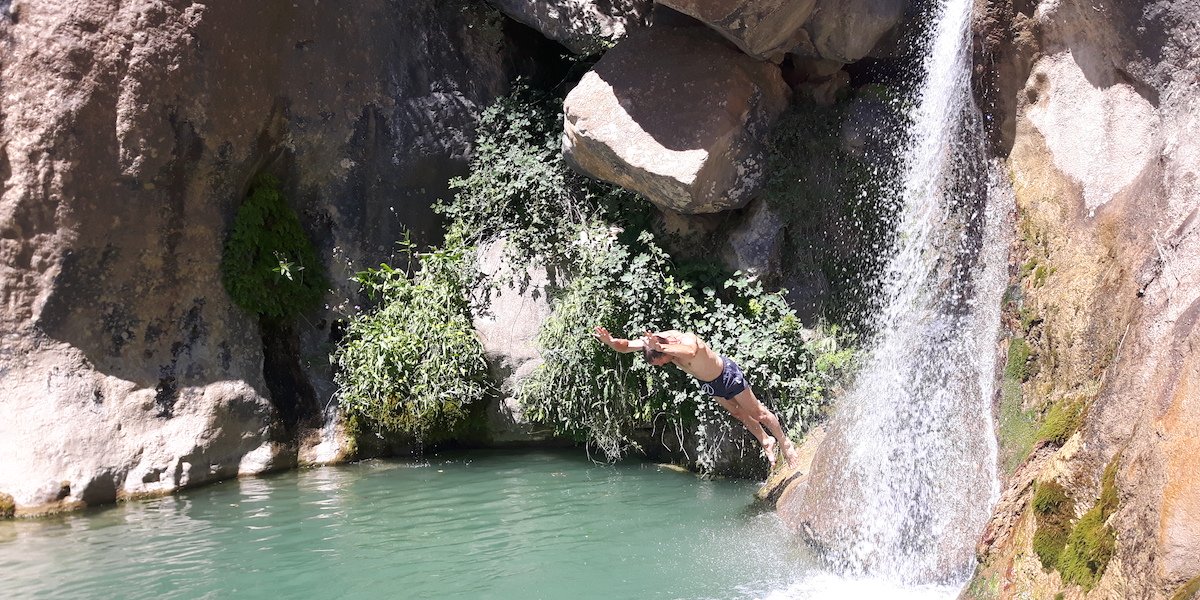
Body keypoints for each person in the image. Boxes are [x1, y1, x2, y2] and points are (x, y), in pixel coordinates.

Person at [592, 326, 799, 468]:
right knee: (738, 414)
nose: (663, 365)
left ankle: (784, 441)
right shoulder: (653, 343)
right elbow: (627, 345)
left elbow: (691, 352)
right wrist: (610, 341)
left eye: (662, 361)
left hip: (726, 375)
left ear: (663, 349)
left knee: (758, 413)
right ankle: (765, 440)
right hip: (709, 384)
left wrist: (662, 348)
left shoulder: (685, 340)